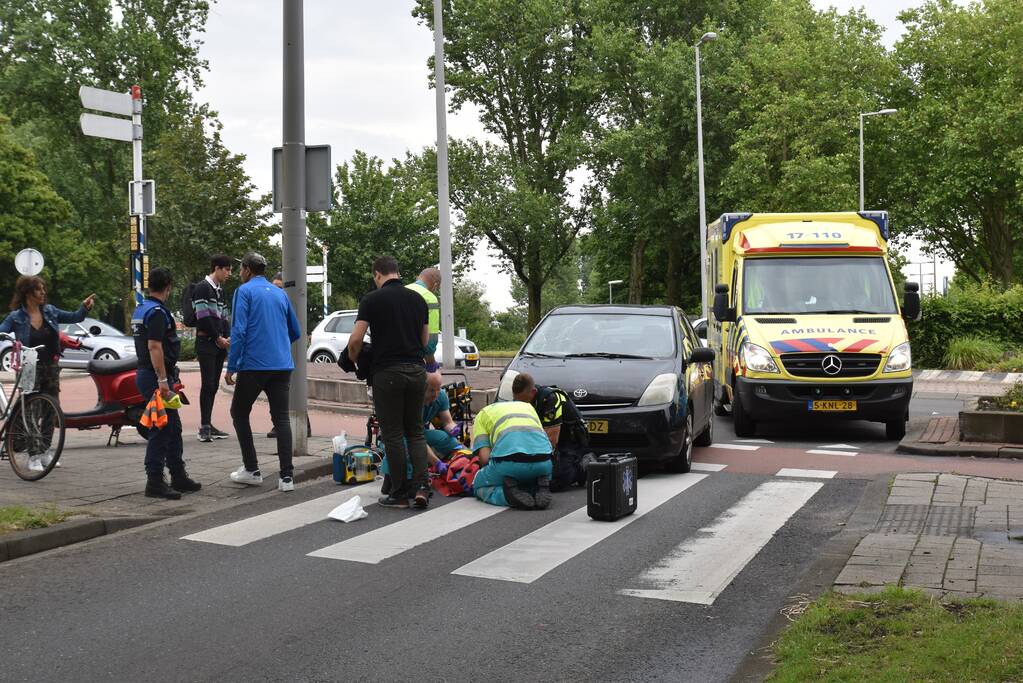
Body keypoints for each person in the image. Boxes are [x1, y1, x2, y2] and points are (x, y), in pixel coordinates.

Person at [349, 255, 429, 509]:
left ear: (377, 274)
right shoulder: (418, 300)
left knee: (393, 434)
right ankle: (422, 487)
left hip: (388, 373)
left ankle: (400, 492)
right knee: (415, 431)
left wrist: (353, 359)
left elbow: (355, 340)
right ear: (397, 272)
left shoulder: (371, 300)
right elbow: (424, 341)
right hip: (417, 371)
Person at [225, 253, 303, 492]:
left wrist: (232, 365)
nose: (239, 274)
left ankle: (252, 469)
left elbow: (239, 330)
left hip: (254, 365)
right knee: (280, 418)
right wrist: (277, 343)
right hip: (281, 364)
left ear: (247, 270)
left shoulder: (244, 291)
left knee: (239, 412)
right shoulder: (279, 293)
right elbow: (295, 331)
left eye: (241, 270)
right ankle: (287, 477)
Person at [0, 276, 94, 471]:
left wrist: (84, 308)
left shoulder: (50, 311)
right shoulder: (16, 316)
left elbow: (75, 317)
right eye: (38, 289)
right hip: (28, 366)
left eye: (43, 289)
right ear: (28, 293)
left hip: (50, 365)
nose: (43, 292)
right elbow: (2, 331)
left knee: (51, 409)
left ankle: (44, 451)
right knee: (31, 410)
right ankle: (33, 455)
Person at [132, 267, 200, 500]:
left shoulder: (141, 309)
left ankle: (178, 475)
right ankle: (154, 481)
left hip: (150, 374)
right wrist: (163, 380)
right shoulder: (158, 313)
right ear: (168, 286)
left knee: (173, 427)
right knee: (161, 429)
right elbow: (155, 346)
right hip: (155, 377)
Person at [471, 373, 553, 510]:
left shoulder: (483, 414)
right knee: (527, 475)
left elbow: (484, 458)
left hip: (509, 464)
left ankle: (506, 496)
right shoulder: (529, 408)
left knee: (478, 485)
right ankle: (536, 487)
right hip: (545, 463)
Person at [513, 380, 591, 492]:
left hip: (570, 442)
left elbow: (551, 441)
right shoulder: (523, 398)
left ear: (533, 392)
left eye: (524, 400)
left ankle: (584, 467)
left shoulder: (551, 399)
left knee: (555, 481)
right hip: (549, 439)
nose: (522, 404)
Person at [265, 271, 310, 440]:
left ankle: (302, 424)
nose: (276, 290)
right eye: (274, 286)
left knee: (290, 390)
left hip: (286, 351)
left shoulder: (288, 303)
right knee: (278, 392)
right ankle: (280, 424)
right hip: (280, 351)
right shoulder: (275, 302)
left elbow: (295, 330)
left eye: (279, 287)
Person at [194, 254, 232, 443]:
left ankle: (208, 423)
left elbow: (224, 316)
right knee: (207, 384)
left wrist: (226, 337)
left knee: (214, 385)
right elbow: (202, 316)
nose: (229, 273)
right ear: (217, 268)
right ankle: (204, 426)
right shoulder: (202, 288)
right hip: (206, 343)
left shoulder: (220, 291)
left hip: (218, 344)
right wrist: (217, 337)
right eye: (227, 269)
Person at [406, 267, 443, 395]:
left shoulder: (402, 290)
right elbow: (430, 340)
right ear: (435, 284)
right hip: (416, 362)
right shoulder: (430, 298)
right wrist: (431, 364)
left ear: (418, 277)